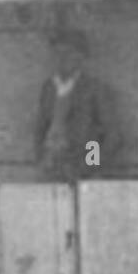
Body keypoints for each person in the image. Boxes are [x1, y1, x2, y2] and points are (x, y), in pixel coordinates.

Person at [33, 29, 113, 180]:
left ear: (81, 57)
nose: (61, 59)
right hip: (51, 169)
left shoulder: (94, 88)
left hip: (81, 171)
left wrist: (90, 166)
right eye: (56, 53)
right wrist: (41, 159)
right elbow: (40, 128)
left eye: (68, 53)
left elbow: (109, 134)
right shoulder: (48, 88)